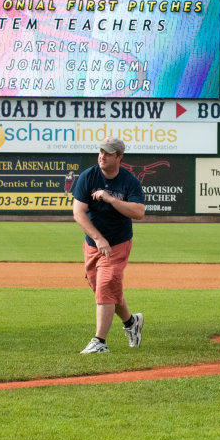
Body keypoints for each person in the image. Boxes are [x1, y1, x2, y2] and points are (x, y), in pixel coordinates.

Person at [72, 137, 146, 354]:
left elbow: (139, 212)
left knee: (106, 287)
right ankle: (131, 322)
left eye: (108, 153)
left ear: (119, 157)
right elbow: (78, 212)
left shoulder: (129, 181)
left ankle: (99, 342)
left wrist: (111, 199)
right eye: (101, 151)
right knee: (106, 290)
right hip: (93, 244)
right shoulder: (88, 176)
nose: (102, 156)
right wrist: (97, 238)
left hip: (118, 243)